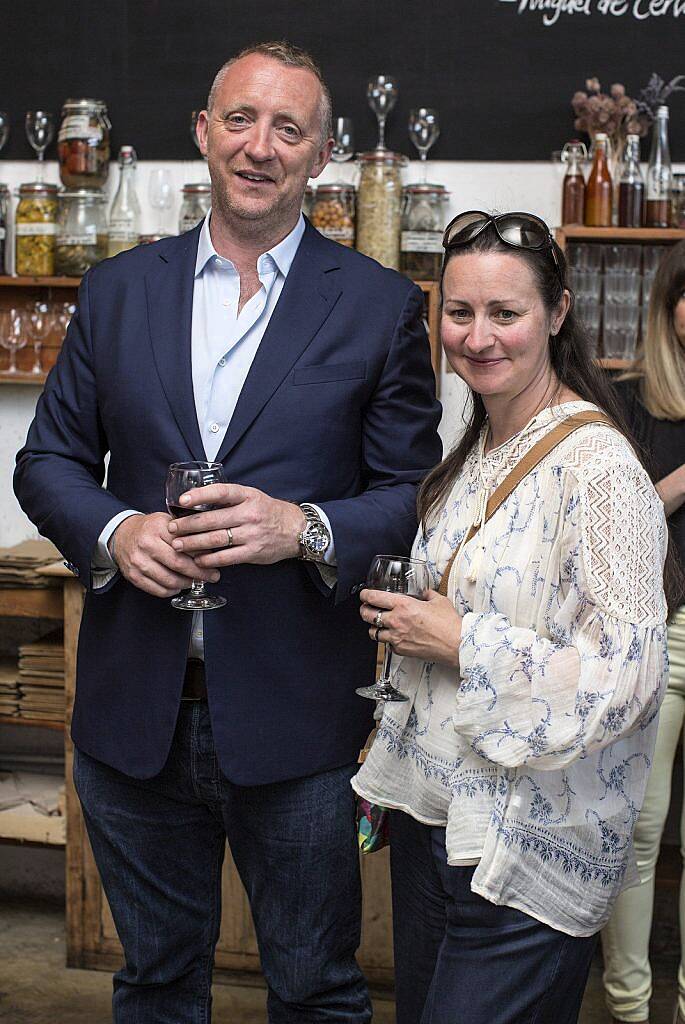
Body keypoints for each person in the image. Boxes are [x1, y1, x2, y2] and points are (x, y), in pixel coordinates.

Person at [13, 42, 441, 1024]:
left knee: (315, 988)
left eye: (287, 129)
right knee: (155, 984)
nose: (260, 147)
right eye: (240, 120)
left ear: (321, 154)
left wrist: (306, 525)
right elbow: (46, 464)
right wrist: (116, 532)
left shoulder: (377, 309)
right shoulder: (117, 291)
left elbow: (416, 496)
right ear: (203, 134)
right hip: (132, 720)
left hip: (300, 722)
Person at [353, 210, 675, 1024]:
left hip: (528, 843)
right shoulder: (479, 446)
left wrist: (458, 640)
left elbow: (628, 676)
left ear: (556, 314)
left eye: (505, 314)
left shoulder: (599, 471)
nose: (477, 337)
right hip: (442, 823)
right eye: (458, 313)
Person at [601, 240, 685, 1024]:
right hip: (661, 631)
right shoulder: (630, 400)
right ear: (669, 309)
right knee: (637, 825)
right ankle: (630, 1008)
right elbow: (618, 522)